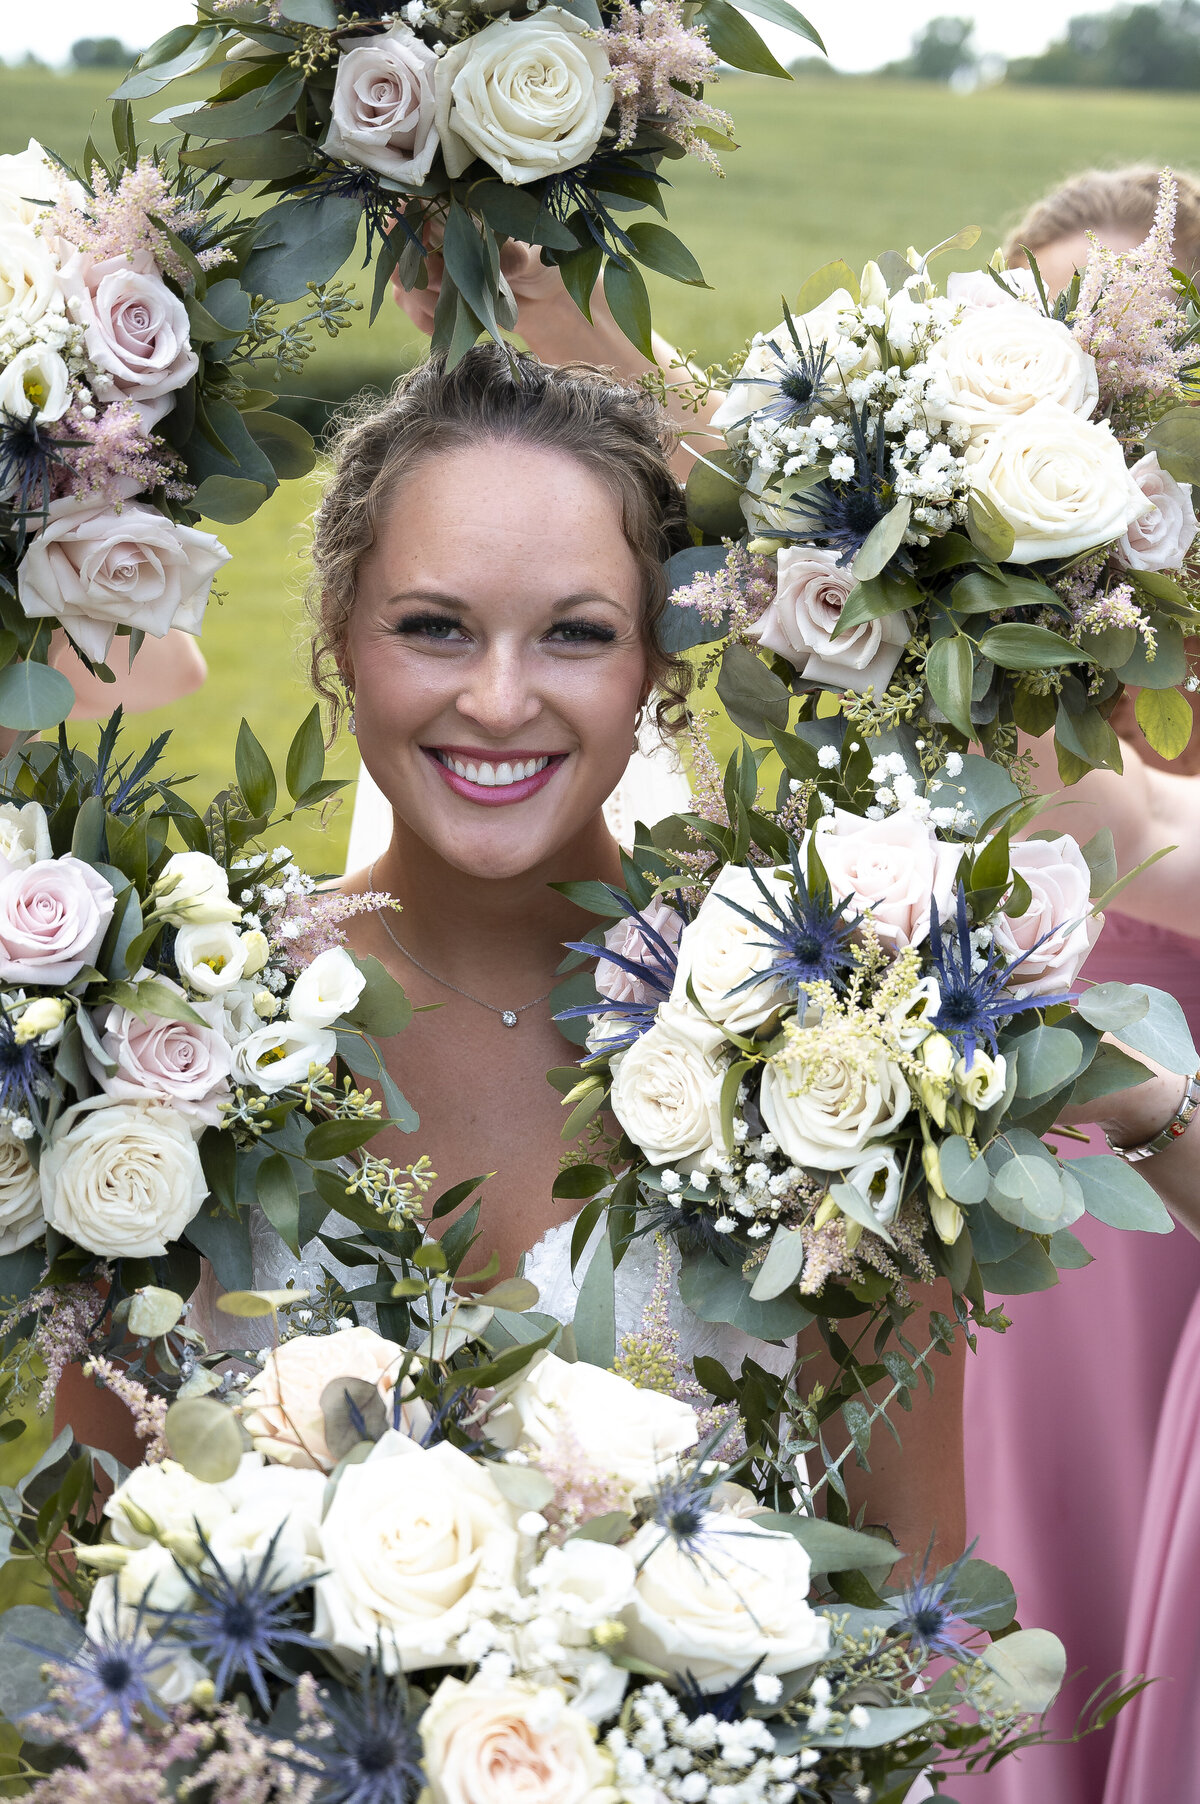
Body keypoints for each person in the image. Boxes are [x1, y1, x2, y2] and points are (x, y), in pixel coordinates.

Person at [240, 342, 967, 1570]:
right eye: (435, 628)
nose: (499, 699)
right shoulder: (185, 1024)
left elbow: (909, 1557)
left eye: (575, 635)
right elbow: (100, 1538)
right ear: (340, 638)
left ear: (659, 666)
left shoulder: (832, 1042)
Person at [955, 167, 1200, 1804]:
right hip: (1027, 1295)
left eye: (1145, 373)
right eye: (1056, 367)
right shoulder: (958, 662)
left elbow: (1136, 837)